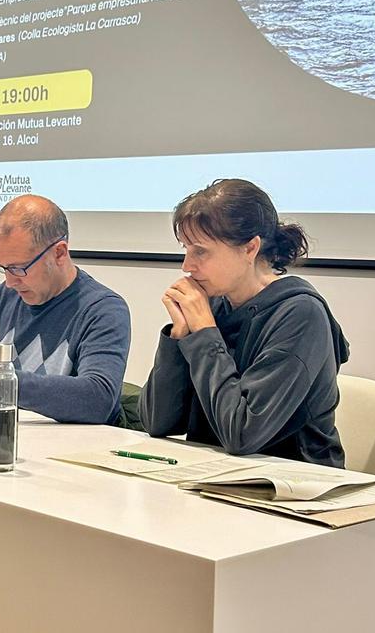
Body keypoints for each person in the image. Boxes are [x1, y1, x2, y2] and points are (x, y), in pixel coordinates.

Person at [139, 179, 348, 467]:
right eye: (185, 249)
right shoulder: (213, 305)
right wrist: (179, 336)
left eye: (200, 251)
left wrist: (203, 334)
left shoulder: (301, 314)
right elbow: (156, 422)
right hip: (214, 477)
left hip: (292, 488)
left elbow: (242, 434)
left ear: (250, 249)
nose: (186, 266)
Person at [0, 195, 129, 424]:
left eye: (19, 268)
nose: (10, 281)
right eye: (1, 267)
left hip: (64, 452)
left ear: (60, 253)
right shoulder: (2, 297)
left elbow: (98, 399)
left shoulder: (103, 309)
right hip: (1, 437)